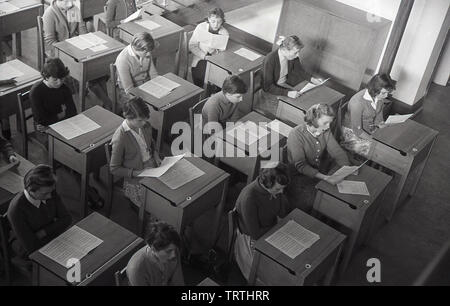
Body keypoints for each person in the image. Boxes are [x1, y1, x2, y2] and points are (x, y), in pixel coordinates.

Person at [43, 0, 113, 110]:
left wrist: (88, 43)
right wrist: (69, 49)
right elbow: (51, 42)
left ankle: (107, 102)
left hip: (77, 48)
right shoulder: (49, 14)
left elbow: (82, 29)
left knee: (96, 65)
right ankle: (108, 103)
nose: (71, 3)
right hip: (59, 53)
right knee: (91, 71)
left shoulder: (73, 8)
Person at [286, 104, 350, 212]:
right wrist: (325, 178)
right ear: (314, 120)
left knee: (338, 191)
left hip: (320, 170)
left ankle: (331, 215)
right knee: (319, 199)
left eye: (330, 122)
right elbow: (301, 166)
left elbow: (337, 152)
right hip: (299, 176)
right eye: (325, 122)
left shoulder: (324, 130)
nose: (328, 126)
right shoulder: (296, 134)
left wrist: (347, 168)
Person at [234, 162, 291, 281]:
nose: (281, 192)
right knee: (267, 276)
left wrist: (279, 198)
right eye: (278, 189)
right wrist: (278, 225)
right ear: (267, 184)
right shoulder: (249, 198)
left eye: (283, 189)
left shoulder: (274, 190)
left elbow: (281, 213)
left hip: (271, 229)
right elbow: (256, 234)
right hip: (253, 238)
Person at [7, 164, 72, 258]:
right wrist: (54, 229)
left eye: (51, 191)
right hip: (27, 247)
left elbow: (67, 219)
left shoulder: (48, 190)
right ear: (31, 190)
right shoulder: (16, 210)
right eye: (45, 194)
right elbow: (31, 246)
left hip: (50, 236)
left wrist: (43, 232)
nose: (50, 196)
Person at [109, 97, 161, 210]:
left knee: (169, 195)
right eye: (140, 120)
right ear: (127, 117)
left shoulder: (145, 125)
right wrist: (138, 173)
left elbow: (150, 141)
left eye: (145, 119)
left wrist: (156, 155)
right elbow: (114, 169)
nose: (144, 123)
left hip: (152, 167)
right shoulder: (120, 137)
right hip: (136, 176)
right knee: (155, 206)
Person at [260, 35, 323, 108]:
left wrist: (312, 79)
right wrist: (287, 93)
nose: (297, 55)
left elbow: (299, 70)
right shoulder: (270, 60)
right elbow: (267, 87)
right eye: (295, 52)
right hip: (272, 90)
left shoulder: (292, 57)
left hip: (283, 85)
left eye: (298, 52)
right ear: (284, 50)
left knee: (304, 99)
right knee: (293, 107)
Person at [341, 73, 396, 157]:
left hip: (368, 128)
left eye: (388, 93)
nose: (386, 96)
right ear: (375, 89)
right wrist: (374, 141)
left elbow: (378, 118)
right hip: (352, 132)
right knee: (379, 151)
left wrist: (381, 124)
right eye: (384, 93)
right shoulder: (358, 103)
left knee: (391, 142)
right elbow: (357, 131)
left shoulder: (379, 97)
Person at [30, 57, 77, 145]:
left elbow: (72, 112)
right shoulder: (36, 92)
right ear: (46, 77)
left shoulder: (64, 88)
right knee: (58, 147)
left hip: (62, 124)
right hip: (45, 130)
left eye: (62, 79)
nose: (59, 83)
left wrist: (59, 117)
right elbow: (42, 121)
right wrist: (61, 115)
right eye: (55, 79)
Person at [126, 221, 184, 286]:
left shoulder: (174, 252)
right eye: (168, 251)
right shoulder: (137, 269)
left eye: (175, 249)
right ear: (153, 249)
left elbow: (178, 282)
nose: (174, 255)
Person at [115, 32, 158, 109]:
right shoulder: (122, 60)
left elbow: (154, 74)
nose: (148, 54)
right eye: (146, 52)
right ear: (137, 49)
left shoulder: (146, 51)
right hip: (130, 93)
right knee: (149, 108)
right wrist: (146, 99)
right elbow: (129, 90)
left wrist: (159, 87)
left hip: (146, 86)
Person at [189, 7, 229, 88]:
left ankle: (213, 93)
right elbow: (192, 45)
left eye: (219, 22)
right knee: (201, 76)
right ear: (208, 19)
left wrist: (216, 55)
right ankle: (203, 94)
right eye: (213, 21)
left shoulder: (224, 33)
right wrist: (204, 56)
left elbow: (223, 52)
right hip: (200, 59)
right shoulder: (201, 27)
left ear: (222, 21)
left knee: (224, 78)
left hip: (215, 61)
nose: (216, 25)